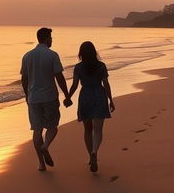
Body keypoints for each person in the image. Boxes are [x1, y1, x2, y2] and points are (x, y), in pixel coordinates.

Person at [20, 27, 72, 171]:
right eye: (50, 37)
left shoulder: (27, 56)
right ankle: (45, 146)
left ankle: (41, 164)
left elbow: (24, 79)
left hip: (33, 98)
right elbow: (59, 77)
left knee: (37, 130)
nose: (51, 40)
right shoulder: (52, 55)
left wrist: (27, 95)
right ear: (46, 38)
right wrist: (67, 95)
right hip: (49, 96)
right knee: (52, 126)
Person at [68, 41, 115, 173]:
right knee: (98, 130)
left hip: (85, 96)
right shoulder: (101, 66)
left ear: (81, 53)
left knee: (87, 130)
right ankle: (95, 151)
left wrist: (68, 97)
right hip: (99, 95)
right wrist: (111, 100)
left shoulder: (78, 67)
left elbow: (75, 85)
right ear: (94, 52)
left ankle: (90, 156)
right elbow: (106, 84)